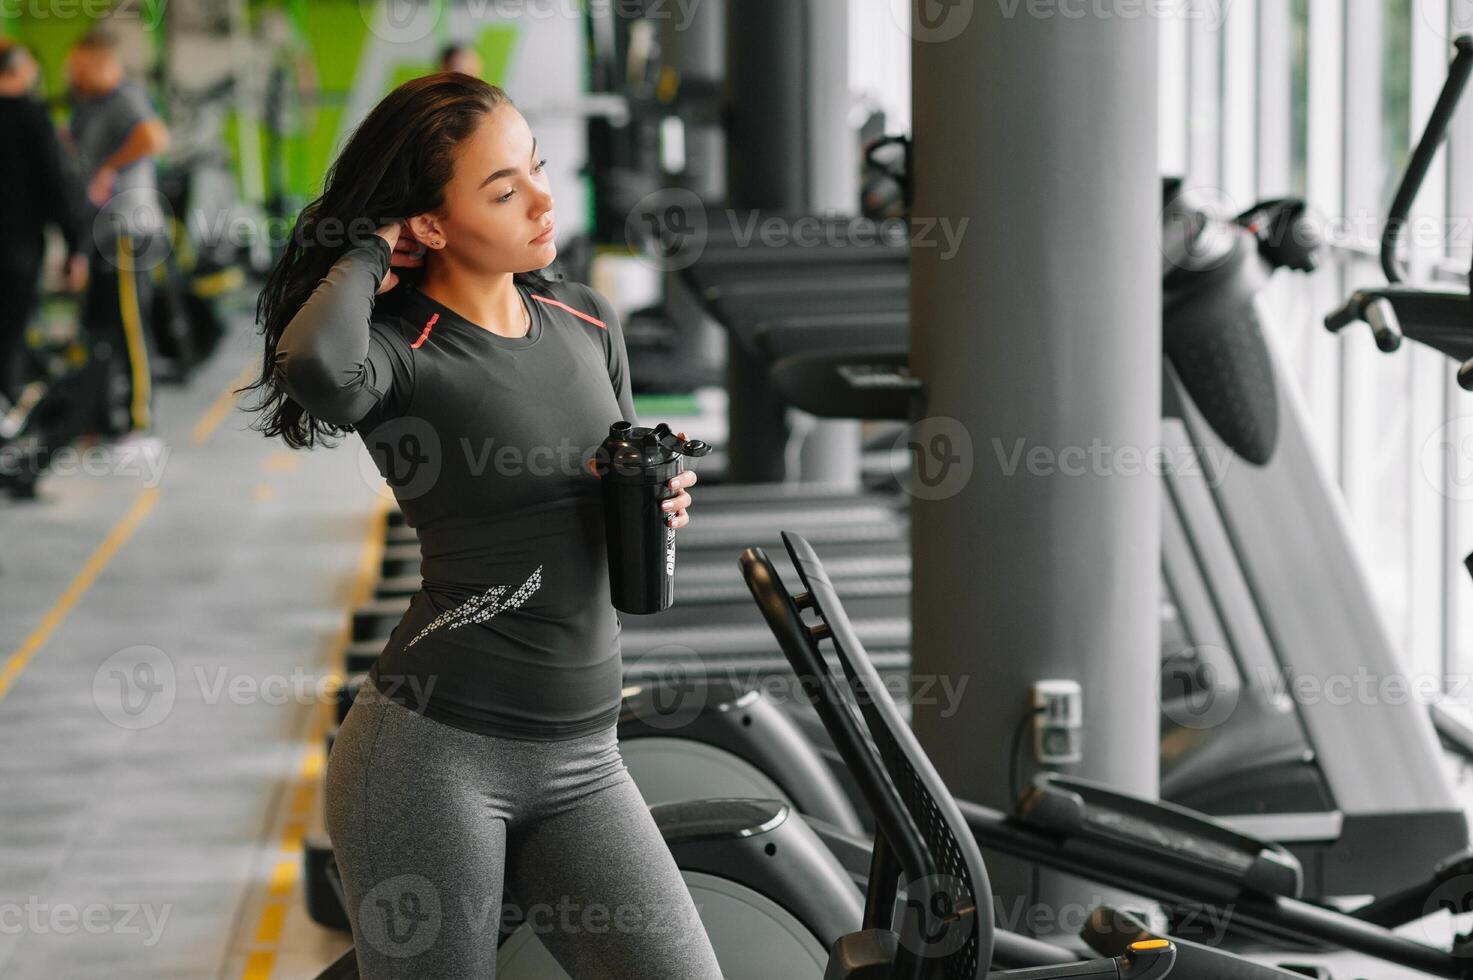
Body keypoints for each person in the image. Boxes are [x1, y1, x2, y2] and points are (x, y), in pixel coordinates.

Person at [242, 73, 716, 978]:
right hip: (434, 760)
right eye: (502, 189)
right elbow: (313, 363)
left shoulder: (584, 317)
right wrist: (370, 251)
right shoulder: (400, 353)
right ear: (428, 223)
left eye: (535, 169)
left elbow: (608, 480)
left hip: (586, 759)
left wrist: (657, 499)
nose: (542, 199)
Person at [65, 28, 170, 439]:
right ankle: (101, 409)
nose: (72, 75)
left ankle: (139, 414)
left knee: (130, 326)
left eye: (78, 67)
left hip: (129, 230)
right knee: (98, 326)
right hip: (98, 230)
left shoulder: (126, 97)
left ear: (99, 63)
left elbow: (154, 137)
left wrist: (110, 167)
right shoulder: (87, 106)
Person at [0, 41, 87, 406]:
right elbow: (55, 184)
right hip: (16, 246)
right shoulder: (32, 116)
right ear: (19, 70)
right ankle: (7, 403)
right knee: (11, 329)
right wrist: (75, 245)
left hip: (16, 243)